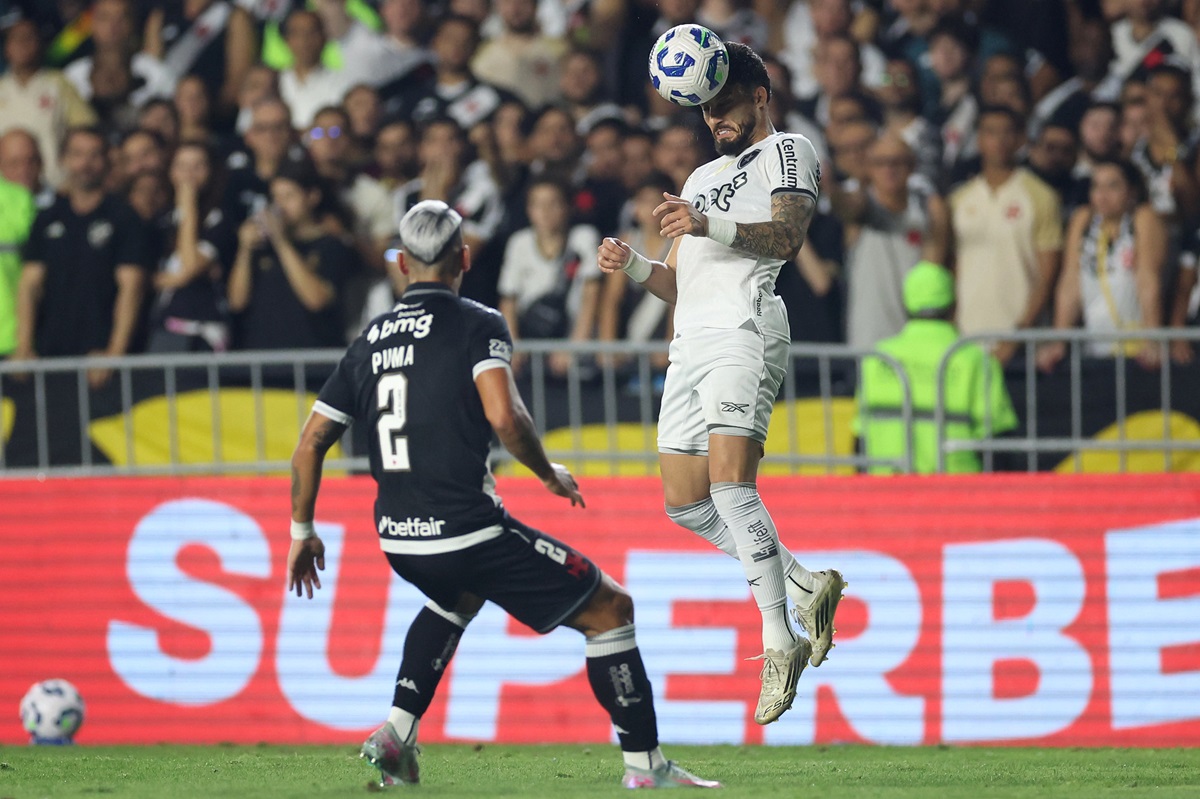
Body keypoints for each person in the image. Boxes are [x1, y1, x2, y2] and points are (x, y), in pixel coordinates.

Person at [286, 199, 719, 790]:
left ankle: (396, 731)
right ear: (464, 258)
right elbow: (507, 418)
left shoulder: (370, 338)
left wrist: (301, 531)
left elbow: (309, 444)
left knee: (455, 598)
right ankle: (647, 768)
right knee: (611, 610)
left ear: (403, 264)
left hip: (397, 538)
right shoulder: (476, 322)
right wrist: (546, 473)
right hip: (466, 530)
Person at [597, 42, 845, 725]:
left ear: (759, 96)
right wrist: (635, 266)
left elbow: (788, 236)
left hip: (746, 327)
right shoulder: (702, 174)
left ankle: (779, 641)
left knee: (733, 487)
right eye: (707, 108)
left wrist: (710, 221)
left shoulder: (789, 150)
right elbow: (680, 281)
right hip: (691, 340)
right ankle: (805, 580)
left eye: (727, 103)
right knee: (685, 501)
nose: (716, 118)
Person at [855, 261, 1018, 474]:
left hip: (886, 493)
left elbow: (861, 438)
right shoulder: (976, 360)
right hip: (956, 494)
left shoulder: (877, 358)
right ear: (953, 305)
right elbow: (998, 442)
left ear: (906, 305)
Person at [14, 127, 148, 386]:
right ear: (63, 159)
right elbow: (30, 285)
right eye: (77, 154)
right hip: (49, 358)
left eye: (94, 155)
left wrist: (114, 353)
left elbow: (132, 288)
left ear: (107, 160)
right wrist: (24, 347)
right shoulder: (48, 217)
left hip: (98, 363)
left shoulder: (124, 217)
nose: (85, 164)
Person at [1037, 159, 1167, 371]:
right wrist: (1059, 340)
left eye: (1112, 186)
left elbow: (1147, 280)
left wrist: (1151, 339)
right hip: (1095, 346)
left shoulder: (1143, 218)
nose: (1102, 194)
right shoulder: (1083, 220)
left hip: (1136, 349)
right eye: (1096, 186)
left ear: (1132, 191)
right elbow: (1071, 283)